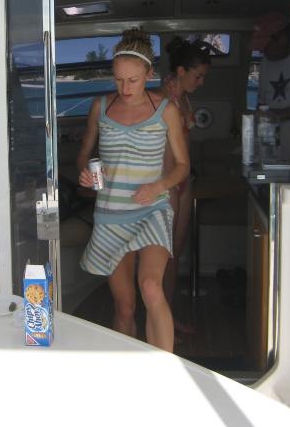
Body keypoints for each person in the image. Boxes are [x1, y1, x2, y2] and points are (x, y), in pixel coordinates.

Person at [77, 28, 190, 352]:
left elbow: (183, 166)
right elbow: (84, 155)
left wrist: (159, 186)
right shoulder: (100, 107)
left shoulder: (167, 110)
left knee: (151, 287)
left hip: (152, 209)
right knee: (125, 308)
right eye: (118, 80)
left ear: (149, 75)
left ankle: (165, 370)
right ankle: (129, 371)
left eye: (133, 80)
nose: (124, 88)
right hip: (111, 214)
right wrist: (85, 173)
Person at [158, 38, 210, 335]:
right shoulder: (161, 98)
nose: (201, 82)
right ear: (181, 71)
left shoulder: (183, 99)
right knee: (163, 256)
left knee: (175, 253)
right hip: (167, 183)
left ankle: (168, 316)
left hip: (183, 182)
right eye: (198, 76)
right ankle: (159, 323)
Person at [257, 21, 290, 162]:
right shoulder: (265, 62)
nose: (263, 51)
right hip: (272, 152)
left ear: (282, 39)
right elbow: (262, 104)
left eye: (265, 45)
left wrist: (277, 115)